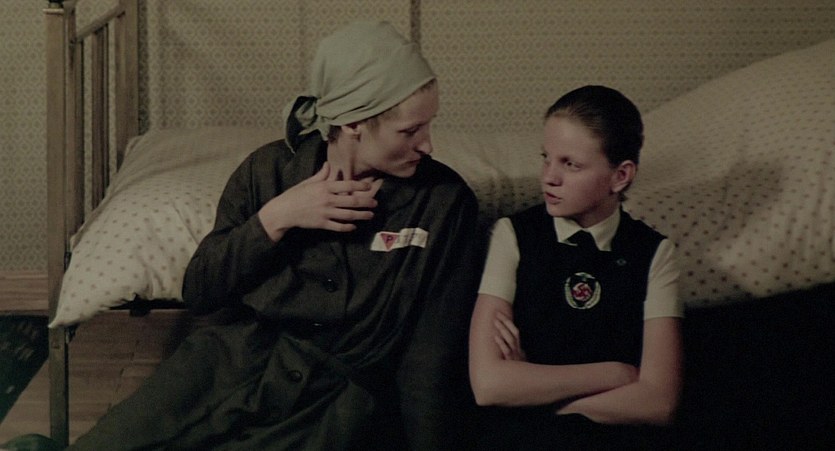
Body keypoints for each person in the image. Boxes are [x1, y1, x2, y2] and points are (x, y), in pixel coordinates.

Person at [70, 20, 479, 450]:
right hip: (230, 364)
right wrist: (276, 219)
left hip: (333, 403)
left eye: (428, 126)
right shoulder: (267, 172)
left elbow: (430, 357)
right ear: (353, 123)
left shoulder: (443, 203)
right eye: (410, 131)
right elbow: (201, 290)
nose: (428, 145)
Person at [468, 85, 684, 449]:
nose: (549, 177)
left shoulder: (653, 253)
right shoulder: (514, 235)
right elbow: (490, 385)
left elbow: (658, 402)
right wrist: (615, 373)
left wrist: (536, 391)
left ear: (620, 176)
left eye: (570, 164)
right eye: (546, 158)